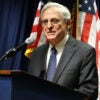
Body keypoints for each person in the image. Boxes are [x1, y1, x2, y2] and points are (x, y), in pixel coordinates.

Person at [28, 2, 98, 100]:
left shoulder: (84, 52)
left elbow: (89, 91)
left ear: (68, 23)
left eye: (54, 21)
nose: (49, 26)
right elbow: (29, 87)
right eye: (45, 22)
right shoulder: (37, 53)